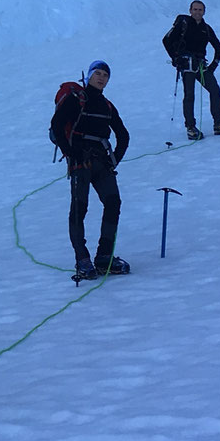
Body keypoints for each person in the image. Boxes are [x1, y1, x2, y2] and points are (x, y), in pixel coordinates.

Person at [49, 60, 131, 281]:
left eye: (105, 75)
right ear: (89, 75)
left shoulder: (107, 105)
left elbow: (123, 135)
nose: (102, 77)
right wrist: (71, 152)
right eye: (98, 73)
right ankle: (82, 258)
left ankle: (104, 257)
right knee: (79, 208)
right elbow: (56, 126)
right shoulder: (77, 100)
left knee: (113, 203)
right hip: (81, 162)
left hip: (100, 161)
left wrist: (114, 160)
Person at [162, 0, 220, 138]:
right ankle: (191, 128)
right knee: (189, 95)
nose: (197, 12)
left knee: (214, 90)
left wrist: (213, 66)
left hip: (199, 65)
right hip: (187, 65)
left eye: (200, 10)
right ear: (190, 10)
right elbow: (166, 40)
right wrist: (176, 58)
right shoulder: (183, 24)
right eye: (195, 9)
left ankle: (218, 124)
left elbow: (218, 47)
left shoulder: (206, 28)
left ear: (204, 12)